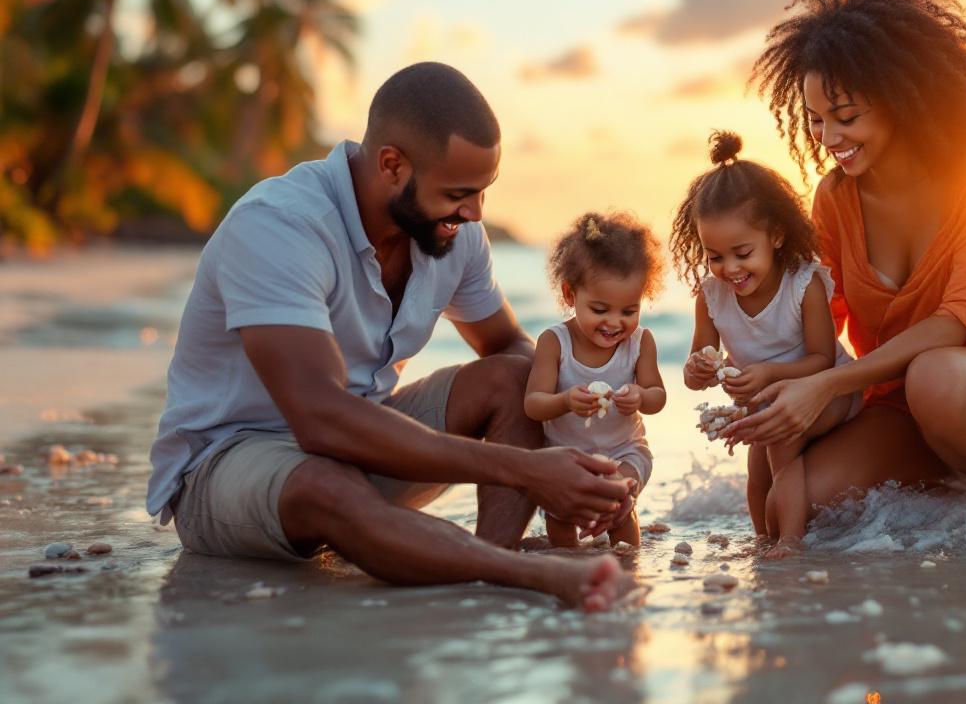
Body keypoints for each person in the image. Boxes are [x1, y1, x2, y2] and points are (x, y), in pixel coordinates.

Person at [146, 62, 635, 611]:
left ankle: (478, 559)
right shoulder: (280, 225)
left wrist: (583, 451)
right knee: (324, 484)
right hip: (226, 465)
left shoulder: (454, 231)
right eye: (459, 192)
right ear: (391, 165)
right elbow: (320, 418)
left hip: (358, 451)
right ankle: (515, 573)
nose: (475, 213)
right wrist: (525, 470)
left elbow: (513, 351)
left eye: (483, 191)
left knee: (517, 375)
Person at [727, 0, 966, 513]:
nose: (828, 139)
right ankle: (948, 484)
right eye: (816, 120)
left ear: (899, 97)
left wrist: (829, 386)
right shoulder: (835, 199)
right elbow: (812, 319)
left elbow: (959, 322)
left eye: (844, 116)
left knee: (935, 375)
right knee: (794, 508)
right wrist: (761, 377)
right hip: (900, 405)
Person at [670, 130, 860, 556]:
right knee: (758, 467)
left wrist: (769, 374)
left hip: (833, 392)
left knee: (777, 440)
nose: (729, 269)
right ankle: (763, 539)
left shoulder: (803, 284)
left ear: (775, 235)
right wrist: (698, 370)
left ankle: (790, 539)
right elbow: (699, 364)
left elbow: (822, 359)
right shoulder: (711, 295)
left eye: (742, 253)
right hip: (770, 400)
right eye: (714, 256)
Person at [524, 211, 667, 548]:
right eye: (600, 310)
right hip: (566, 456)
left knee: (618, 497)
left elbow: (658, 396)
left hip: (625, 452)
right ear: (570, 294)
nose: (614, 323)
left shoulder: (640, 342)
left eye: (628, 311)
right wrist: (565, 401)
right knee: (561, 514)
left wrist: (640, 397)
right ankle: (567, 564)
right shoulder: (554, 342)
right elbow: (533, 404)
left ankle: (629, 567)